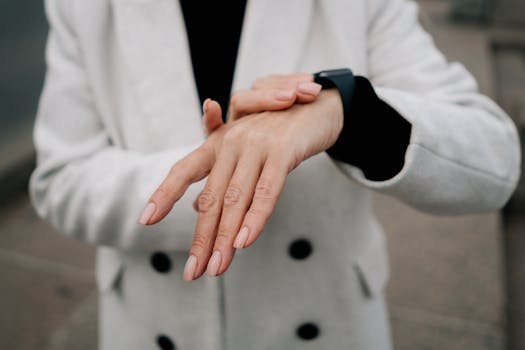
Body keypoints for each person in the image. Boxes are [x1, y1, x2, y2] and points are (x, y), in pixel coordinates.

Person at [29, 0, 521, 349]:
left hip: (328, 325)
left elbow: (493, 161)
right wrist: (227, 168)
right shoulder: (84, 7)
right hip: (150, 324)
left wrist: (348, 113)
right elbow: (61, 178)